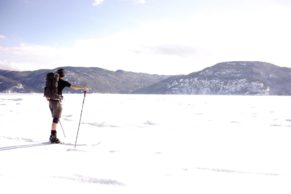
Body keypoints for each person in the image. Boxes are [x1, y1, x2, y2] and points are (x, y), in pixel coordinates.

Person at [48, 68, 88, 143]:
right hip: (56, 102)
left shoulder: (52, 81)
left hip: (50, 101)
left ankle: (52, 136)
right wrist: (83, 88)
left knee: (55, 119)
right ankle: (53, 137)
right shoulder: (62, 82)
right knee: (55, 119)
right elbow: (74, 87)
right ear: (62, 75)